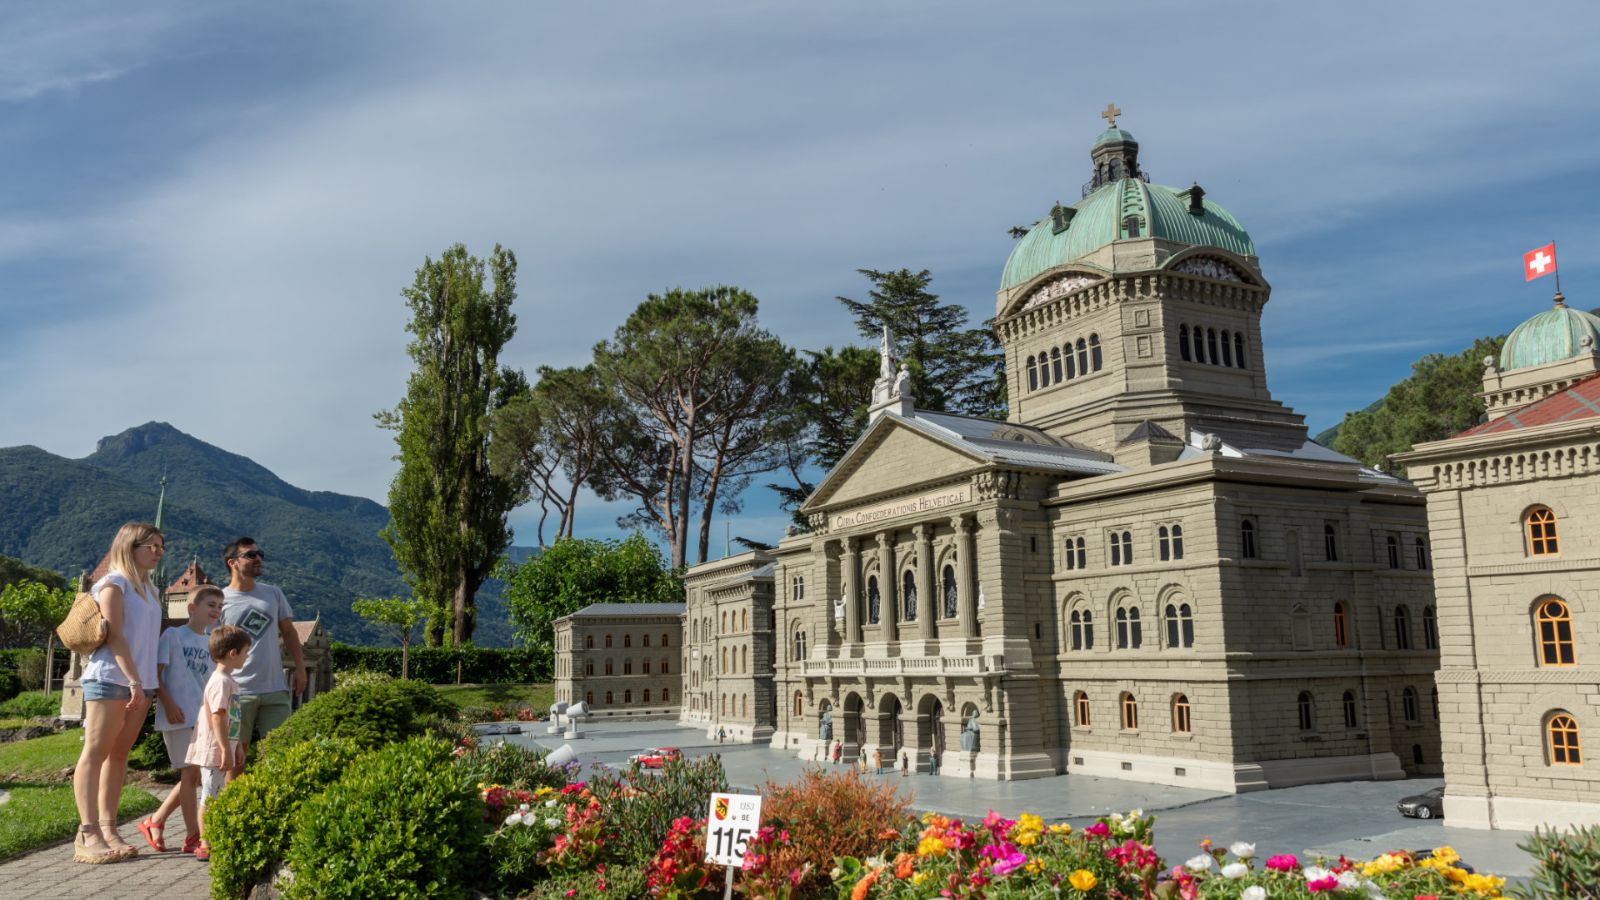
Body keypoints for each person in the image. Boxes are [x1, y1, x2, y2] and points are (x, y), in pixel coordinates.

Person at [72, 522, 165, 864]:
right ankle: (87, 832)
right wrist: (134, 682)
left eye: (160, 547)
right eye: (151, 546)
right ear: (129, 546)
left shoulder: (148, 589)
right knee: (95, 753)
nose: (158, 552)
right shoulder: (113, 584)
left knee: (119, 756)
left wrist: (146, 682)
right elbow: (116, 637)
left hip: (140, 682)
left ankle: (109, 829)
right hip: (112, 678)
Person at [137, 585, 224, 855]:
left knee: (194, 776)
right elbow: (155, 674)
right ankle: (193, 835)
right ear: (191, 608)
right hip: (178, 715)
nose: (216, 611)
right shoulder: (173, 636)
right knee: (189, 774)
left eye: (219, 607)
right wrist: (168, 703)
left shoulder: (210, 643)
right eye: (211, 605)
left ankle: (156, 821)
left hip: (202, 718)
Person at [220, 537, 306, 779]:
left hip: (275, 689)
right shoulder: (220, 599)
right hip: (238, 692)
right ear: (233, 563)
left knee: (281, 755)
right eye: (251, 555)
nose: (259, 559)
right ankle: (233, 813)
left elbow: (289, 632)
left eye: (260, 554)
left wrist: (300, 668)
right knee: (237, 759)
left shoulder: (273, 594)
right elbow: (211, 647)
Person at [186, 625, 250, 862]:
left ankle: (213, 837)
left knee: (217, 794)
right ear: (233, 653)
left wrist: (238, 745)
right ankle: (204, 842)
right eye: (245, 652)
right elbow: (218, 716)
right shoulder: (221, 682)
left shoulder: (229, 681)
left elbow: (233, 718)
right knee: (210, 796)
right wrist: (225, 748)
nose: (247, 657)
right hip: (215, 747)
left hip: (225, 745)